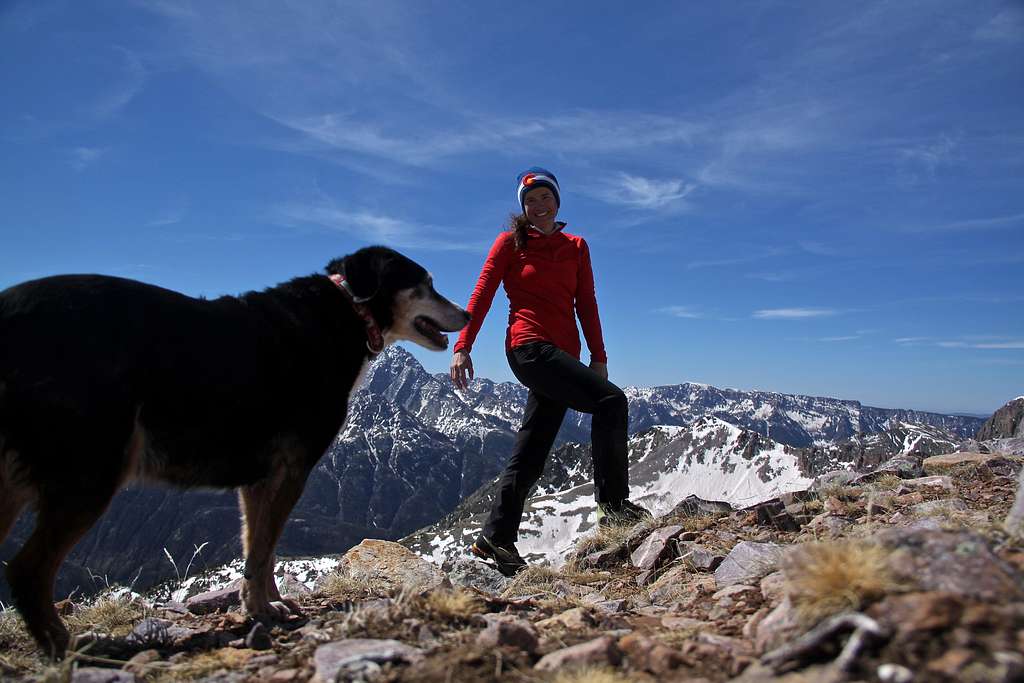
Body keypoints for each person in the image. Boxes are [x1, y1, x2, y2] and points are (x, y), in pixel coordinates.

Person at [450, 167, 651, 576]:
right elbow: (482, 292)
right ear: (522, 208)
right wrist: (463, 345)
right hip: (528, 348)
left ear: (557, 202)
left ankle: (496, 537)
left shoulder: (576, 246)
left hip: (565, 355)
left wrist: (599, 356)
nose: (539, 206)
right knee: (612, 402)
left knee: (534, 448)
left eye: (546, 197)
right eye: (530, 200)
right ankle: (614, 508)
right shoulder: (510, 244)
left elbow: (587, 304)